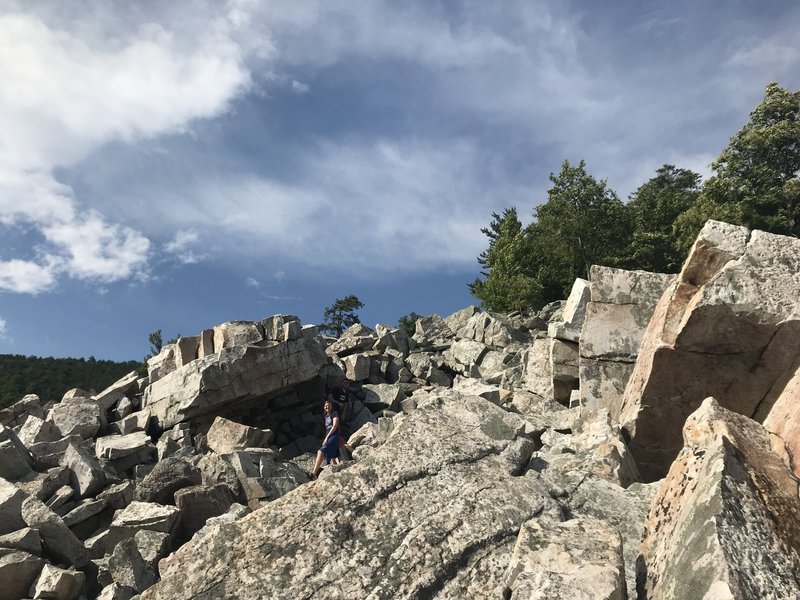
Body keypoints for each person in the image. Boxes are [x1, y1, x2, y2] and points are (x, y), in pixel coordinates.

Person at [309, 400, 340, 479]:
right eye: (326, 406)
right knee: (332, 458)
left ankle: (314, 473)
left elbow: (335, 426)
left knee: (320, 452)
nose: (327, 407)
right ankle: (338, 474)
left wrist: (326, 438)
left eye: (329, 405)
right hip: (329, 436)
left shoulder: (335, 413)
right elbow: (327, 428)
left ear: (332, 407)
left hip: (334, 436)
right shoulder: (326, 416)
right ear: (324, 407)